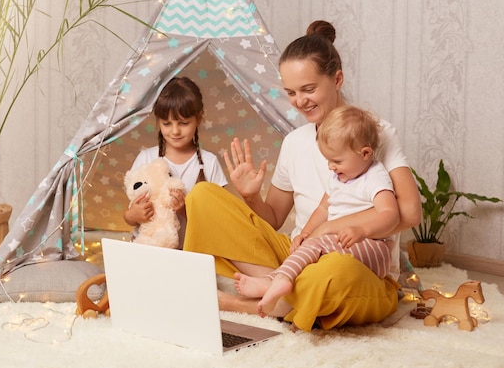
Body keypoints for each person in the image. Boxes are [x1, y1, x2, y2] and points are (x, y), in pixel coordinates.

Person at [182, 20, 421, 331]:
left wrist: (331, 228)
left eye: (309, 89)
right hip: (299, 252)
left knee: (334, 272)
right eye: (291, 92)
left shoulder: (378, 134)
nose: (300, 101)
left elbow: (411, 212)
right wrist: (251, 195)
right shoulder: (295, 142)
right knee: (202, 196)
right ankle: (283, 286)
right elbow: (273, 219)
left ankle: (245, 303)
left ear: (337, 79)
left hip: (357, 262)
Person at [234, 105, 400, 317]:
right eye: (328, 160)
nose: (331, 167)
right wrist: (305, 233)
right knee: (313, 251)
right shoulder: (338, 178)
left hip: (374, 248)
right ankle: (285, 287)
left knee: (318, 246)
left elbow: (390, 214)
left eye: (337, 161)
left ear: (365, 153)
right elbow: (323, 208)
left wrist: (362, 230)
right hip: (342, 246)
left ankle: (275, 281)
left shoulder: (375, 176)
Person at [123, 76, 228, 248]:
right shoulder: (146, 158)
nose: (175, 131)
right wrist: (133, 215)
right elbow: (129, 216)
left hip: (192, 251)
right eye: (166, 123)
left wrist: (184, 210)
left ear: (199, 119)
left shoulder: (209, 163)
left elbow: (218, 220)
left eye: (183, 123)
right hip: (148, 250)